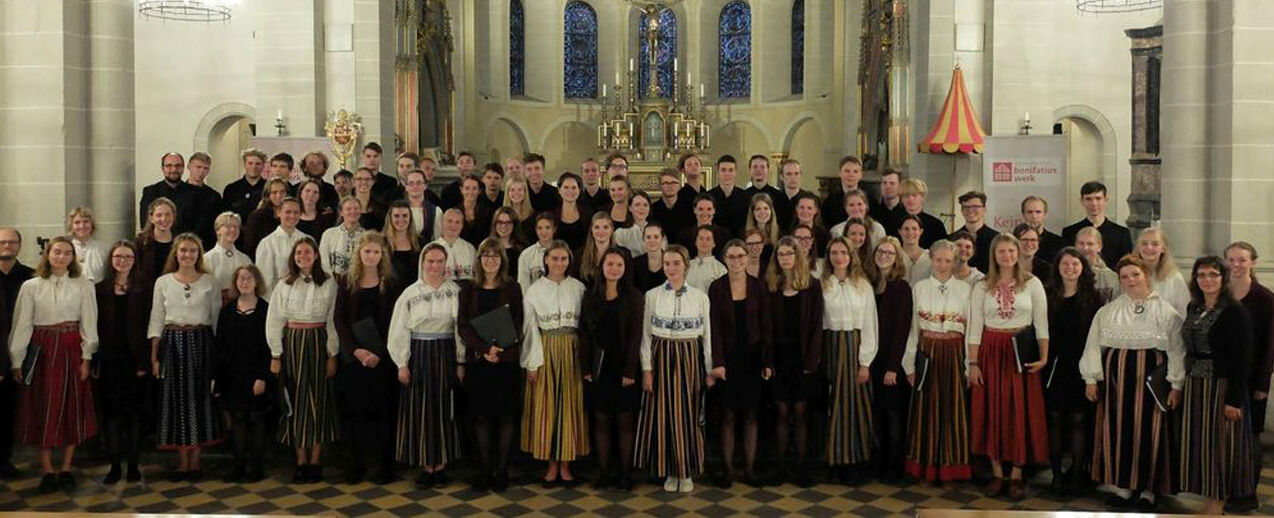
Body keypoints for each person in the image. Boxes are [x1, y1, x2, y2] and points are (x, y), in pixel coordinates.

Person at [1081, 255, 1183, 511]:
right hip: (1117, 384)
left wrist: (1176, 385)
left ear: (1146, 275)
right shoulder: (1109, 310)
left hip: (1152, 383)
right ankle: (1123, 486)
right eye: (1124, 277)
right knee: (1119, 429)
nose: (1130, 280)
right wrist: (1091, 379)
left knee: (1151, 432)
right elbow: (1093, 346)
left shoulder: (1165, 310)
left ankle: (1149, 490)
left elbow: (1177, 350)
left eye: (1135, 274)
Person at [8, 236, 98, 493]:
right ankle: (47, 469)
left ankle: (67, 468)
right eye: (57, 252)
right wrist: (17, 359)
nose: (61, 257)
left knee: (72, 407)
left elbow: (88, 323)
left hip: (71, 349)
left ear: (73, 257)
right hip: (42, 351)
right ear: (48, 255)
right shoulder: (31, 286)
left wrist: (87, 357)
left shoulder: (83, 285)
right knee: (42, 407)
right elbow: (22, 324)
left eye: (67, 253)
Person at [967, 234, 1050, 500]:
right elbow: (974, 327)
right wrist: (973, 363)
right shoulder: (982, 286)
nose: (1007, 255)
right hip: (990, 350)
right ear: (994, 255)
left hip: (1020, 351)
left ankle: (1016, 473)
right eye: (1001, 251)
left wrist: (1044, 357)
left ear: (1018, 252)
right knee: (992, 409)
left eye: (1011, 250)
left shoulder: (1033, 283)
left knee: (1019, 410)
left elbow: (1041, 324)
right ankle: (996, 473)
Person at [1176, 256, 1257, 515]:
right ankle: (1209, 498)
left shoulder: (1234, 312)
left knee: (1222, 445)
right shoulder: (1194, 307)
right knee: (1202, 444)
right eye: (1201, 275)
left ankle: (1219, 501)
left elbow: (1242, 359)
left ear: (1223, 278)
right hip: (1196, 384)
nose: (1207, 280)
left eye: (1213, 274)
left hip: (1222, 386)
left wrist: (1233, 400)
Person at [635, 244, 715, 493]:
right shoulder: (652, 295)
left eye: (676, 263)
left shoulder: (700, 297)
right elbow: (646, 336)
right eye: (667, 263)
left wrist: (709, 369)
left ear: (686, 266)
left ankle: (686, 470)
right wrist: (647, 369)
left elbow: (708, 337)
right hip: (661, 356)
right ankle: (669, 469)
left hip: (689, 357)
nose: (671, 268)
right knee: (664, 415)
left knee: (688, 414)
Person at [147, 233, 222, 481]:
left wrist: (215, 355)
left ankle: (196, 461)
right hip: (172, 344)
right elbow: (157, 319)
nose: (187, 255)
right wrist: (154, 355)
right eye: (183, 251)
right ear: (176, 254)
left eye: (192, 251)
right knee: (176, 400)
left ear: (198, 254)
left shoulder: (209, 281)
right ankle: (182, 462)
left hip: (200, 342)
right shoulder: (163, 282)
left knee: (199, 399)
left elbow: (215, 318)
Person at [266, 237, 341, 484]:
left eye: (307, 252)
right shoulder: (285, 284)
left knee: (318, 399)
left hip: (318, 342)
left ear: (316, 255)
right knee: (296, 400)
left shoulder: (329, 283)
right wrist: (276, 354)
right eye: (299, 253)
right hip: (293, 343)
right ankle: (300, 461)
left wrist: (332, 353)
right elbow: (275, 319)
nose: (303, 257)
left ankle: (316, 459)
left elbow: (331, 320)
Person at [388, 244, 462, 488]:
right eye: (430, 261)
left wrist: (461, 361)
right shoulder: (410, 293)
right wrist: (401, 363)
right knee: (420, 409)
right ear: (423, 263)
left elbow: (460, 330)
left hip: (446, 353)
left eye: (440, 261)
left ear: (446, 263)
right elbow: (399, 329)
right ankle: (425, 464)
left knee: (443, 408)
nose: (435, 266)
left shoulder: (455, 291)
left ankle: (440, 465)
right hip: (418, 354)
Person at [334, 232, 402, 486]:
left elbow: (397, 321)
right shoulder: (346, 282)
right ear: (359, 254)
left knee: (383, 413)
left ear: (382, 255)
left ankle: (385, 466)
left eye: (376, 252)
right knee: (355, 414)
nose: (371, 256)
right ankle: (355, 464)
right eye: (367, 252)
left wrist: (381, 352)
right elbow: (339, 319)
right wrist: (356, 351)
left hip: (383, 360)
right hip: (354, 360)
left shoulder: (391, 284)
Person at [902, 240, 973, 484]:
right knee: (926, 409)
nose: (943, 265)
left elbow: (970, 328)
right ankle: (925, 465)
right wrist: (909, 364)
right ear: (931, 260)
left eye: (948, 260)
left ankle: (951, 466)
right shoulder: (919, 288)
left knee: (952, 408)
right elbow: (912, 327)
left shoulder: (965, 290)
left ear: (954, 262)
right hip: (927, 350)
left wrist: (968, 365)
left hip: (954, 352)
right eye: (938, 260)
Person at [458, 238, 525, 492]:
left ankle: (502, 471)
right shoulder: (468, 289)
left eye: (495, 256)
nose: (490, 260)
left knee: (506, 416)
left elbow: (519, 322)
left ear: (502, 261)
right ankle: (485, 470)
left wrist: (502, 351)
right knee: (481, 417)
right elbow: (463, 325)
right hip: (479, 361)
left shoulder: (513, 288)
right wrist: (485, 350)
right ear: (479, 260)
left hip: (506, 361)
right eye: (485, 255)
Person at [521, 241, 589, 486]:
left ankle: (566, 463)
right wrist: (532, 362)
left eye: (563, 259)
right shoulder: (535, 290)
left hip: (571, 349)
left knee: (569, 406)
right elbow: (529, 328)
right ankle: (550, 464)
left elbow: (585, 326)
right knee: (548, 406)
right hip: (545, 346)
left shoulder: (578, 288)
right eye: (554, 258)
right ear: (546, 261)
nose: (559, 263)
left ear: (569, 261)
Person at [709, 239, 772, 489]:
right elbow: (713, 328)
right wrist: (717, 362)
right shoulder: (717, 287)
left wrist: (768, 360)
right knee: (727, 415)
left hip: (753, 357)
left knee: (751, 415)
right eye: (732, 256)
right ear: (725, 259)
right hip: (727, 358)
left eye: (741, 256)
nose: (736, 261)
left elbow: (767, 324)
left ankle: (749, 469)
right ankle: (727, 470)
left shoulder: (758, 286)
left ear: (747, 258)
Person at [580, 248, 643, 491]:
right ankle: (604, 473)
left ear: (625, 268)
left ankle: (625, 474)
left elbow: (636, 336)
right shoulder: (590, 296)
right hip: (598, 366)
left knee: (625, 420)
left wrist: (630, 370)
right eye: (610, 264)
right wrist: (585, 367)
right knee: (601, 420)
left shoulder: (634, 297)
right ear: (602, 267)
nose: (614, 269)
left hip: (624, 366)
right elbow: (584, 333)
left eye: (619, 265)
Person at [1043, 247, 1102, 495]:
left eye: (1075, 265)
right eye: (1065, 264)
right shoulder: (1048, 295)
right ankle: (1056, 475)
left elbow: (1098, 335)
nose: (1070, 269)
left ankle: (1077, 475)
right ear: (1057, 267)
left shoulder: (1093, 297)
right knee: (1055, 419)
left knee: (1079, 419)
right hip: (1055, 365)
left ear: (1083, 268)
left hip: (1082, 365)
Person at [820, 236, 879, 485]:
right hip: (830, 345)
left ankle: (855, 461)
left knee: (855, 407)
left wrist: (865, 361)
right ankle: (834, 460)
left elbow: (869, 323)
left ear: (851, 256)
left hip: (854, 347)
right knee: (832, 405)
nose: (839, 257)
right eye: (834, 253)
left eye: (843, 252)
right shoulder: (822, 284)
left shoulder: (862, 285)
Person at [765, 236, 823, 487]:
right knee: (781, 412)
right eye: (781, 255)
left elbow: (816, 325)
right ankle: (779, 467)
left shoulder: (812, 286)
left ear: (797, 257)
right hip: (778, 357)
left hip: (803, 358)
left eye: (789, 254)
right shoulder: (771, 286)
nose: (785, 258)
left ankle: (800, 468)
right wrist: (767, 360)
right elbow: (765, 328)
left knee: (800, 413)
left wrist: (812, 360)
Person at [1224, 241, 1274, 514]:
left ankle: (1248, 493)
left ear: (1252, 262)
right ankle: (1229, 488)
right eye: (1231, 259)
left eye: (1242, 260)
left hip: (1253, 378)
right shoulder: (1221, 293)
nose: (1236, 265)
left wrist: (1263, 385)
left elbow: (1269, 345)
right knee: (1229, 438)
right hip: (1226, 378)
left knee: (1251, 437)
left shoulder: (1264, 297)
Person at [95, 240, 151, 485]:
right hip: (108, 359)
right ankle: (115, 465)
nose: (122, 261)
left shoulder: (144, 288)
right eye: (118, 256)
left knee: (133, 415)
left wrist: (145, 361)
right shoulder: (99, 289)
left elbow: (150, 325)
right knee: (111, 415)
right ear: (111, 260)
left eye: (128, 257)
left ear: (134, 260)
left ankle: (134, 466)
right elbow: (93, 325)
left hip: (135, 359)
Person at [213, 265, 272, 483]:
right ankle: (238, 466)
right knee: (236, 419)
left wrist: (263, 376)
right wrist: (217, 377)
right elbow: (220, 344)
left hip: (256, 373)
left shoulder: (266, 309)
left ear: (257, 282)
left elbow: (269, 346)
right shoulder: (227, 310)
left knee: (256, 419)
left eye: (249, 278)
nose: (244, 282)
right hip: (232, 374)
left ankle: (256, 467)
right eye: (240, 278)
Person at [869, 237, 913, 482]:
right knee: (877, 414)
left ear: (897, 258)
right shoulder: (869, 283)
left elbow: (901, 330)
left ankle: (895, 465)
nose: (884, 255)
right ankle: (880, 461)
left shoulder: (901, 288)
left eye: (889, 252)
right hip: (871, 359)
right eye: (880, 251)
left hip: (891, 362)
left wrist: (893, 367)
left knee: (894, 415)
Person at [0, 227, 32, 480]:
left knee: (10, 409)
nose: (7, 246)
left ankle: (4, 458)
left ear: (20, 245)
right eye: (2, 242)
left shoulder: (30, 276)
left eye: (12, 242)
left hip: (21, 353)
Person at [1062, 181, 1134, 268]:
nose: (1094, 204)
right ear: (1082, 201)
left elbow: (1126, 266)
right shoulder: (1069, 232)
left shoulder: (1122, 234)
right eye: (1088, 199)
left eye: (1098, 198)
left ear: (1106, 200)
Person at [256, 198, 311, 296]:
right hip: (279, 298)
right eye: (288, 212)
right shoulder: (267, 243)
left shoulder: (308, 240)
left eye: (296, 212)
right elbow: (264, 282)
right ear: (278, 213)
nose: (292, 216)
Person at [138, 152, 197, 236]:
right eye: (169, 166)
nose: (174, 169)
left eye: (178, 166)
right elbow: (145, 222)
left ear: (183, 168)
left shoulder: (194, 193)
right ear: (162, 168)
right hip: (156, 243)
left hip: (185, 244)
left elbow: (197, 224)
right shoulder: (150, 192)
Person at [1136, 228, 1189, 316]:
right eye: (1144, 243)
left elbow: (1184, 310)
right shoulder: (1129, 276)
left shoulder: (1174, 277)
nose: (1149, 247)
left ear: (1163, 249)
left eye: (1155, 244)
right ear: (1138, 248)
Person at [203, 212, 252, 304]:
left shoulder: (245, 259)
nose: (233, 230)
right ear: (218, 230)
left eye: (236, 227)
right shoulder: (207, 259)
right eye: (228, 226)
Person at [821, 156, 879, 229]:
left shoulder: (871, 199)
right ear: (840, 173)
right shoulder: (830, 202)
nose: (851, 175)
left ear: (861, 175)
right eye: (847, 171)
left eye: (855, 171)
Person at [889, 178, 946, 248]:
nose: (910, 199)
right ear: (901, 199)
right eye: (906, 196)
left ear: (922, 197)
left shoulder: (936, 225)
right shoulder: (892, 222)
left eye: (914, 195)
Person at [319, 197, 367, 278]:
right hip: (333, 282)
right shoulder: (329, 234)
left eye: (356, 208)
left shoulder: (367, 236)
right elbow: (324, 262)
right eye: (348, 209)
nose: (353, 211)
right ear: (341, 212)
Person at [243, 178, 291, 258]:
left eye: (282, 192)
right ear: (268, 195)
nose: (279, 196)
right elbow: (249, 246)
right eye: (274, 192)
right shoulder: (256, 216)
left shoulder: (292, 216)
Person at [185, 152, 224, 249]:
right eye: (198, 167)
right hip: (182, 243)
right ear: (189, 167)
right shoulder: (178, 192)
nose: (202, 171)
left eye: (205, 168)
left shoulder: (214, 196)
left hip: (207, 245)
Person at [222, 148, 269, 228]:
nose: (254, 167)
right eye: (250, 163)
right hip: (237, 234)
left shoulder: (269, 188)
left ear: (263, 166)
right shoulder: (231, 189)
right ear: (244, 164)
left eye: (258, 164)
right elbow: (225, 217)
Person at [136, 198, 178, 283]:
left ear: (173, 217)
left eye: (168, 214)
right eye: (159, 215)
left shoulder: (180, 242)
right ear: (151, 218)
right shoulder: (140, 242)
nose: (163, 219)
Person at [432, 209, 478, 282]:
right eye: (449, 221)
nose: (453, 225)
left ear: (462, 226)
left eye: (457, 222)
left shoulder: (470, 249)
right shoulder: (430, 249)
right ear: (442, 223)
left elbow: (477, 278)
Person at [709, 155, 750, 237]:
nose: (727, 174)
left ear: (736, 172)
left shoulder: (746, 197)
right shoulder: (709, 196)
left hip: (739, 242)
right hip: (715, 242)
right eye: (723, 170)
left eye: (731, 170)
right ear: (718, 172)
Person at [1076, 227, 1120, 301]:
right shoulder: (1067, 274)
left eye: (1090, 244)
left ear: (1099, 246)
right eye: (1081, 243)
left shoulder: (1111, 278)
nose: (1085, 248)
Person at [383, 201, 422, 283]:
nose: (401, 219)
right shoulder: (382, 242)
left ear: (410, 218)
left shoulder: (420, 241)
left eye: (405, 216)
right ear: (390, 218)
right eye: (396, 216)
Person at [65, 207, 107, 284]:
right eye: (77, 222)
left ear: (92, 225)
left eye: (86, 221)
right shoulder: (66, 249)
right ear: (71, 226)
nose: (82, 226)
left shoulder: (103, 249)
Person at [517, 213, 556, 291]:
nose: (543, 232)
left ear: (554, 229)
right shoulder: (526, 255)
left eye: (547, 228)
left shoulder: (562, 253)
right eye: (540, 228)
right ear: (536, 230)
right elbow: (523, 284)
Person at [403, 169, 443, 243]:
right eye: (411, 183)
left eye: (418, 183)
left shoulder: (435, 211)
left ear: (425, 186)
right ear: (406, 187)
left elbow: (438, 240)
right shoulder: (398, 209)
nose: (415, 186)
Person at [554, 173, 592, 250]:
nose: (570, 191)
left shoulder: (588, 214)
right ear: (559, 190)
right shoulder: (552, 215)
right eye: (566, 187)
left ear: (579, 190)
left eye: (574, 187)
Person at [652, 168, 692, 239]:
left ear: (680, 185)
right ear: (660, 186)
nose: (670, 186)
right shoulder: (652, 210)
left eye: (674, 182)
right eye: (666, 183)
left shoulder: (689, 209)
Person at [1021, 196, 1064, 263]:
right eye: (1029, 212)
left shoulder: (1059, 243)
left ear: (1045, 215)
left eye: (1038, 212)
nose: (1034, 216)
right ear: (1023, 215)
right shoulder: (1013, 241)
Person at [776, 159, 814, 232]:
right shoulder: (775, 199)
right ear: (781, 177)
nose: (793, 177)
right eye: (789, 174)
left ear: (801, 175)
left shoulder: (810, 199)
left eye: (796, 173)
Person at [577, 212, 616, 284]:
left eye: (605, 227)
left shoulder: (624, 254)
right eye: (597, 227)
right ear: (591, 230)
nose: (601, 231)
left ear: (612, 229)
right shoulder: (580, 255)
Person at [686, 225, 727, 292]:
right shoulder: (686, 266)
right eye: (701, 238)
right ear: (696, 242)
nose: (704, 242)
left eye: (708, 239)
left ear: (714, 243)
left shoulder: (720, 269)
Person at [489, 207, 527, 280]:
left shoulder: (523, 249)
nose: (503, 226)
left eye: (508, 222)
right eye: (500, 222)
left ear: (514, 225)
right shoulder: (487, 247)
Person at [615, 190, 654, 256]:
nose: (642, 208)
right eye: (637, 205)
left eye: (645, 205)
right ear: (630, 208)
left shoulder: (657, 231)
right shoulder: (620, 233)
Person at [632, 222, 668, 291]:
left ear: (662, 239)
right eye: (648, 237)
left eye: (656, 237)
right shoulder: (635, 263)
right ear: (643, 239)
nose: (652, 241)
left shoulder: (671, 261)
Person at [461, 175, 495, 245]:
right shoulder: (455, 212)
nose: (471, 192)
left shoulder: (488, 213)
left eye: (474, 189)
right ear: (461, 190)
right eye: (467, 188)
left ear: (479, 191)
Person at [898, 215, 932, 284]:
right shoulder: (894, 256)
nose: (910, 232)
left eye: (914, 229)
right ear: (899, 231)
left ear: (921, 231)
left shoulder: (930, 257)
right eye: (906, 229)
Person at [351, 168, 387, 232]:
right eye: (359, 179)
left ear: (373, 182)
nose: (364, 182)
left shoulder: (381, 206)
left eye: (367, 179)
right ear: (353, 182)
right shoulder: (346, 205)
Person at [870, 168, 903, 233]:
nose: (887, 187)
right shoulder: (872, 213)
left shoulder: (907, 213)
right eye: (884, 183)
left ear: (900, 186)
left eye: (892, 183)